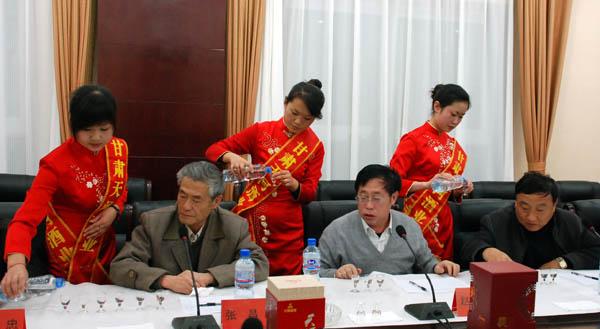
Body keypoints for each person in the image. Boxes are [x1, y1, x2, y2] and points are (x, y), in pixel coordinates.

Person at [2, 85, 127, 298]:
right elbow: (25, 219)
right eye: (88, 130)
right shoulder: (55, 164)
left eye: (104, 129)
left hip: (103, 249)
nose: (96, 137)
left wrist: (115, 209)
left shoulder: (117, 150)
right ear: (74, 126)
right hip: (68, 253)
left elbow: (120, 188)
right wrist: (16, 264)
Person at [206, 79, 325, 275]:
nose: (298, 122)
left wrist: (294, 184)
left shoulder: (314, 147)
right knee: (248, 278)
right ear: (285, 103)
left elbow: (310, 193)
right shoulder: (261, 131)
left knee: (288, 285)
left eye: (307, 119)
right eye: (294, 113)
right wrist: (232, 157)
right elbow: (213, 150)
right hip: (253, 222)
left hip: (287, 230)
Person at [110, 161, 269, 293]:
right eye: (182, 196)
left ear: (216, 202)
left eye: (196, 200)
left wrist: (209, 277)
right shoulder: (154, 222)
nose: (186, 206)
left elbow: (259, 264)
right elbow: (121, 266)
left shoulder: (234, 225)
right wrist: (165, 280)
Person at [319, 164, 460, 279]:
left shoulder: (408, 226)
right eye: (363, 197)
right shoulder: (336, 230)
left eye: (376, 198)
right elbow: (316, 272)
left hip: (402, 300)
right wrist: (336, 274)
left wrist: (438, 267)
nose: (368, 205)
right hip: (356, 301)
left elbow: (426, 263)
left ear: (393, 198)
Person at [390, 84, 474, 261]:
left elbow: (446, 190)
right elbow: (392, 182)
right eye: (453, 114)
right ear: (437, 106)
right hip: (415, 218)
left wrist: (459, 189)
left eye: (461, 116)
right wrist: (427, 185)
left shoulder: (453, 145)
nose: (456, 121)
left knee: (445, 270)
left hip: (443, 220)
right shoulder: (413, 139)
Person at [461, 172, 600, 270]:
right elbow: (469, 246)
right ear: (516, 203)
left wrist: (562, 262)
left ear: (554, 206)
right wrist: (486, 251)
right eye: (524, 208)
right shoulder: (496, 221)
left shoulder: (569, 221)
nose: (531, 217)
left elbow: (595, 250)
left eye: (540, 209)